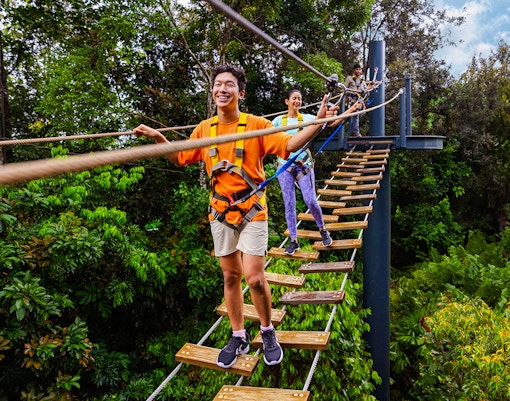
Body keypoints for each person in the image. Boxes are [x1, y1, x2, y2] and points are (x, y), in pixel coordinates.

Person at [133, 65, 340, 369]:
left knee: (254, 277)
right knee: (231, 276)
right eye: (218, 84)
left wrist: (319, 123)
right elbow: (179, 157)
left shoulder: (256, 125)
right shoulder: (205, 129)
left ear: (240, 93)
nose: (222, 89)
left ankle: (268, 331)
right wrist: (157, 137)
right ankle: (238, 334)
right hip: (220, 212)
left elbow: (289, 146)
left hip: (252, 210)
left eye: (229, 85)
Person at [272, 89, 333, 255]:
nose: (297, 101)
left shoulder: (307, 119)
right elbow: (268, 139)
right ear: (287, 101)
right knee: (289, 203)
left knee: (310, 200)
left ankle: (322, 230)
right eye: (294, 98)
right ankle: (294, 240)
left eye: (299, 99)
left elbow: (327, 121)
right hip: (285, 165)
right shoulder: (278, 121)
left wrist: (339, 110)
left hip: (303, 164)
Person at [344, 63, 365, 138]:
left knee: (356, 115)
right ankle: (355, 132)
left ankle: (354, 132)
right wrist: (346, 97)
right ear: (354, 70)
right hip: (351, 98)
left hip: (358, 98)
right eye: (357, 69)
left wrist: (372, 85)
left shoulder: (361, 80)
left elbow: (365, 88)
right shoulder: (350, 78)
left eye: (359, 69)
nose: (358, 71)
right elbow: (344, 88)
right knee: (354, 115)